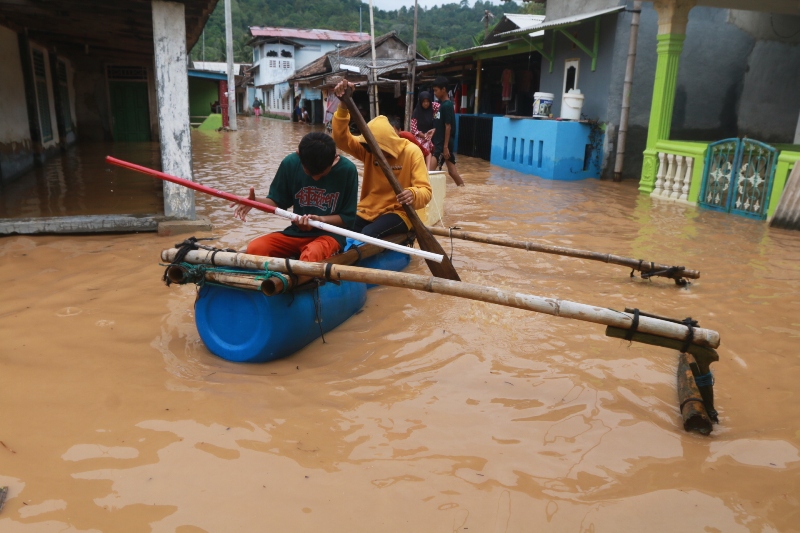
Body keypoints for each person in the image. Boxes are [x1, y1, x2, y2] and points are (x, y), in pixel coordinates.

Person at [232, 132, 358, 263]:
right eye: (309, 172)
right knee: (255, 248)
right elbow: (277, 202)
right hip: (296, 233)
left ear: (334, 158)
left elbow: (347, 219)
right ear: (298, 155)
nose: (315, 178)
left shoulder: (347, 170)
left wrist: (320, 220)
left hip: (330, 235)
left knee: (311, 255)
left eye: (322, 173)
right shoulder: (290, 163)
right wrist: (255, 202)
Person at [331, 80, 432, 239]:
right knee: (340, 229)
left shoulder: (412, 152)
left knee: (368, 234)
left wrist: (413, 194)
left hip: (400, 212)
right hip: (369, 210)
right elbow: (341, 138)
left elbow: (426, 191)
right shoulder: (368, 150)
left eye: (381, 151)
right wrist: (343, 105)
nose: (375, 154)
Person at [431, 76, 465, 186]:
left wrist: (445, 147)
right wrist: (432, 131)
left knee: (428, 173)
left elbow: (448, 126)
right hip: (442, 143)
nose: (435, 93)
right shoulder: (442, 106)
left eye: (436, 90)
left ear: (443, 89)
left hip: (442, 145)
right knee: (452, 172)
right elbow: (440, 125)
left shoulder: (447, 105)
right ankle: (463, 190)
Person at [410, 91, 438, 168]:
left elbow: (441, 109)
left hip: (432, 136)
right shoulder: (416, 111)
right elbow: (413, 129)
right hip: (420, 137)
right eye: (424, 101)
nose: (426, 103)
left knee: (429, 148)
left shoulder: (433, 107)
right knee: (425, 147)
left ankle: (428, 170)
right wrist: (424, 135)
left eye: (427, 101)